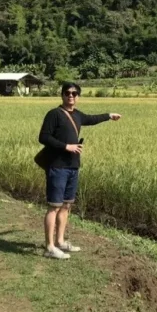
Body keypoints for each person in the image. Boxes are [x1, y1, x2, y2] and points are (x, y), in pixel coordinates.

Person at [38, 81, 121, 259]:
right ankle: (49, 247)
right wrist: (66, 146)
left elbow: (91, 119)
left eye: (74, 94)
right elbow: (43, 137)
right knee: (54, 206)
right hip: (57, 166)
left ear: (78, 97)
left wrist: (109, 115)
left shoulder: (77, 115)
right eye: (67, 93)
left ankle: (60, 241)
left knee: (66, 205)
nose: (71, 96)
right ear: (62, 95)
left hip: (73, 166)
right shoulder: (54, 114)